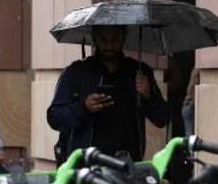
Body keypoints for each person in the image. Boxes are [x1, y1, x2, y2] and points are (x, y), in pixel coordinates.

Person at [46, 25, 169, 163]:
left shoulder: (139, 71)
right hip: (84, 165)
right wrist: (83, 107)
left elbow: (162, 119)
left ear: (124, 38)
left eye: (115, 39)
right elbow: (54, 117)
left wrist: (148, 95)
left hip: (127, 164)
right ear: (94, 38)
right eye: (103, 39)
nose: (109, 45)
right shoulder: (77, 72)